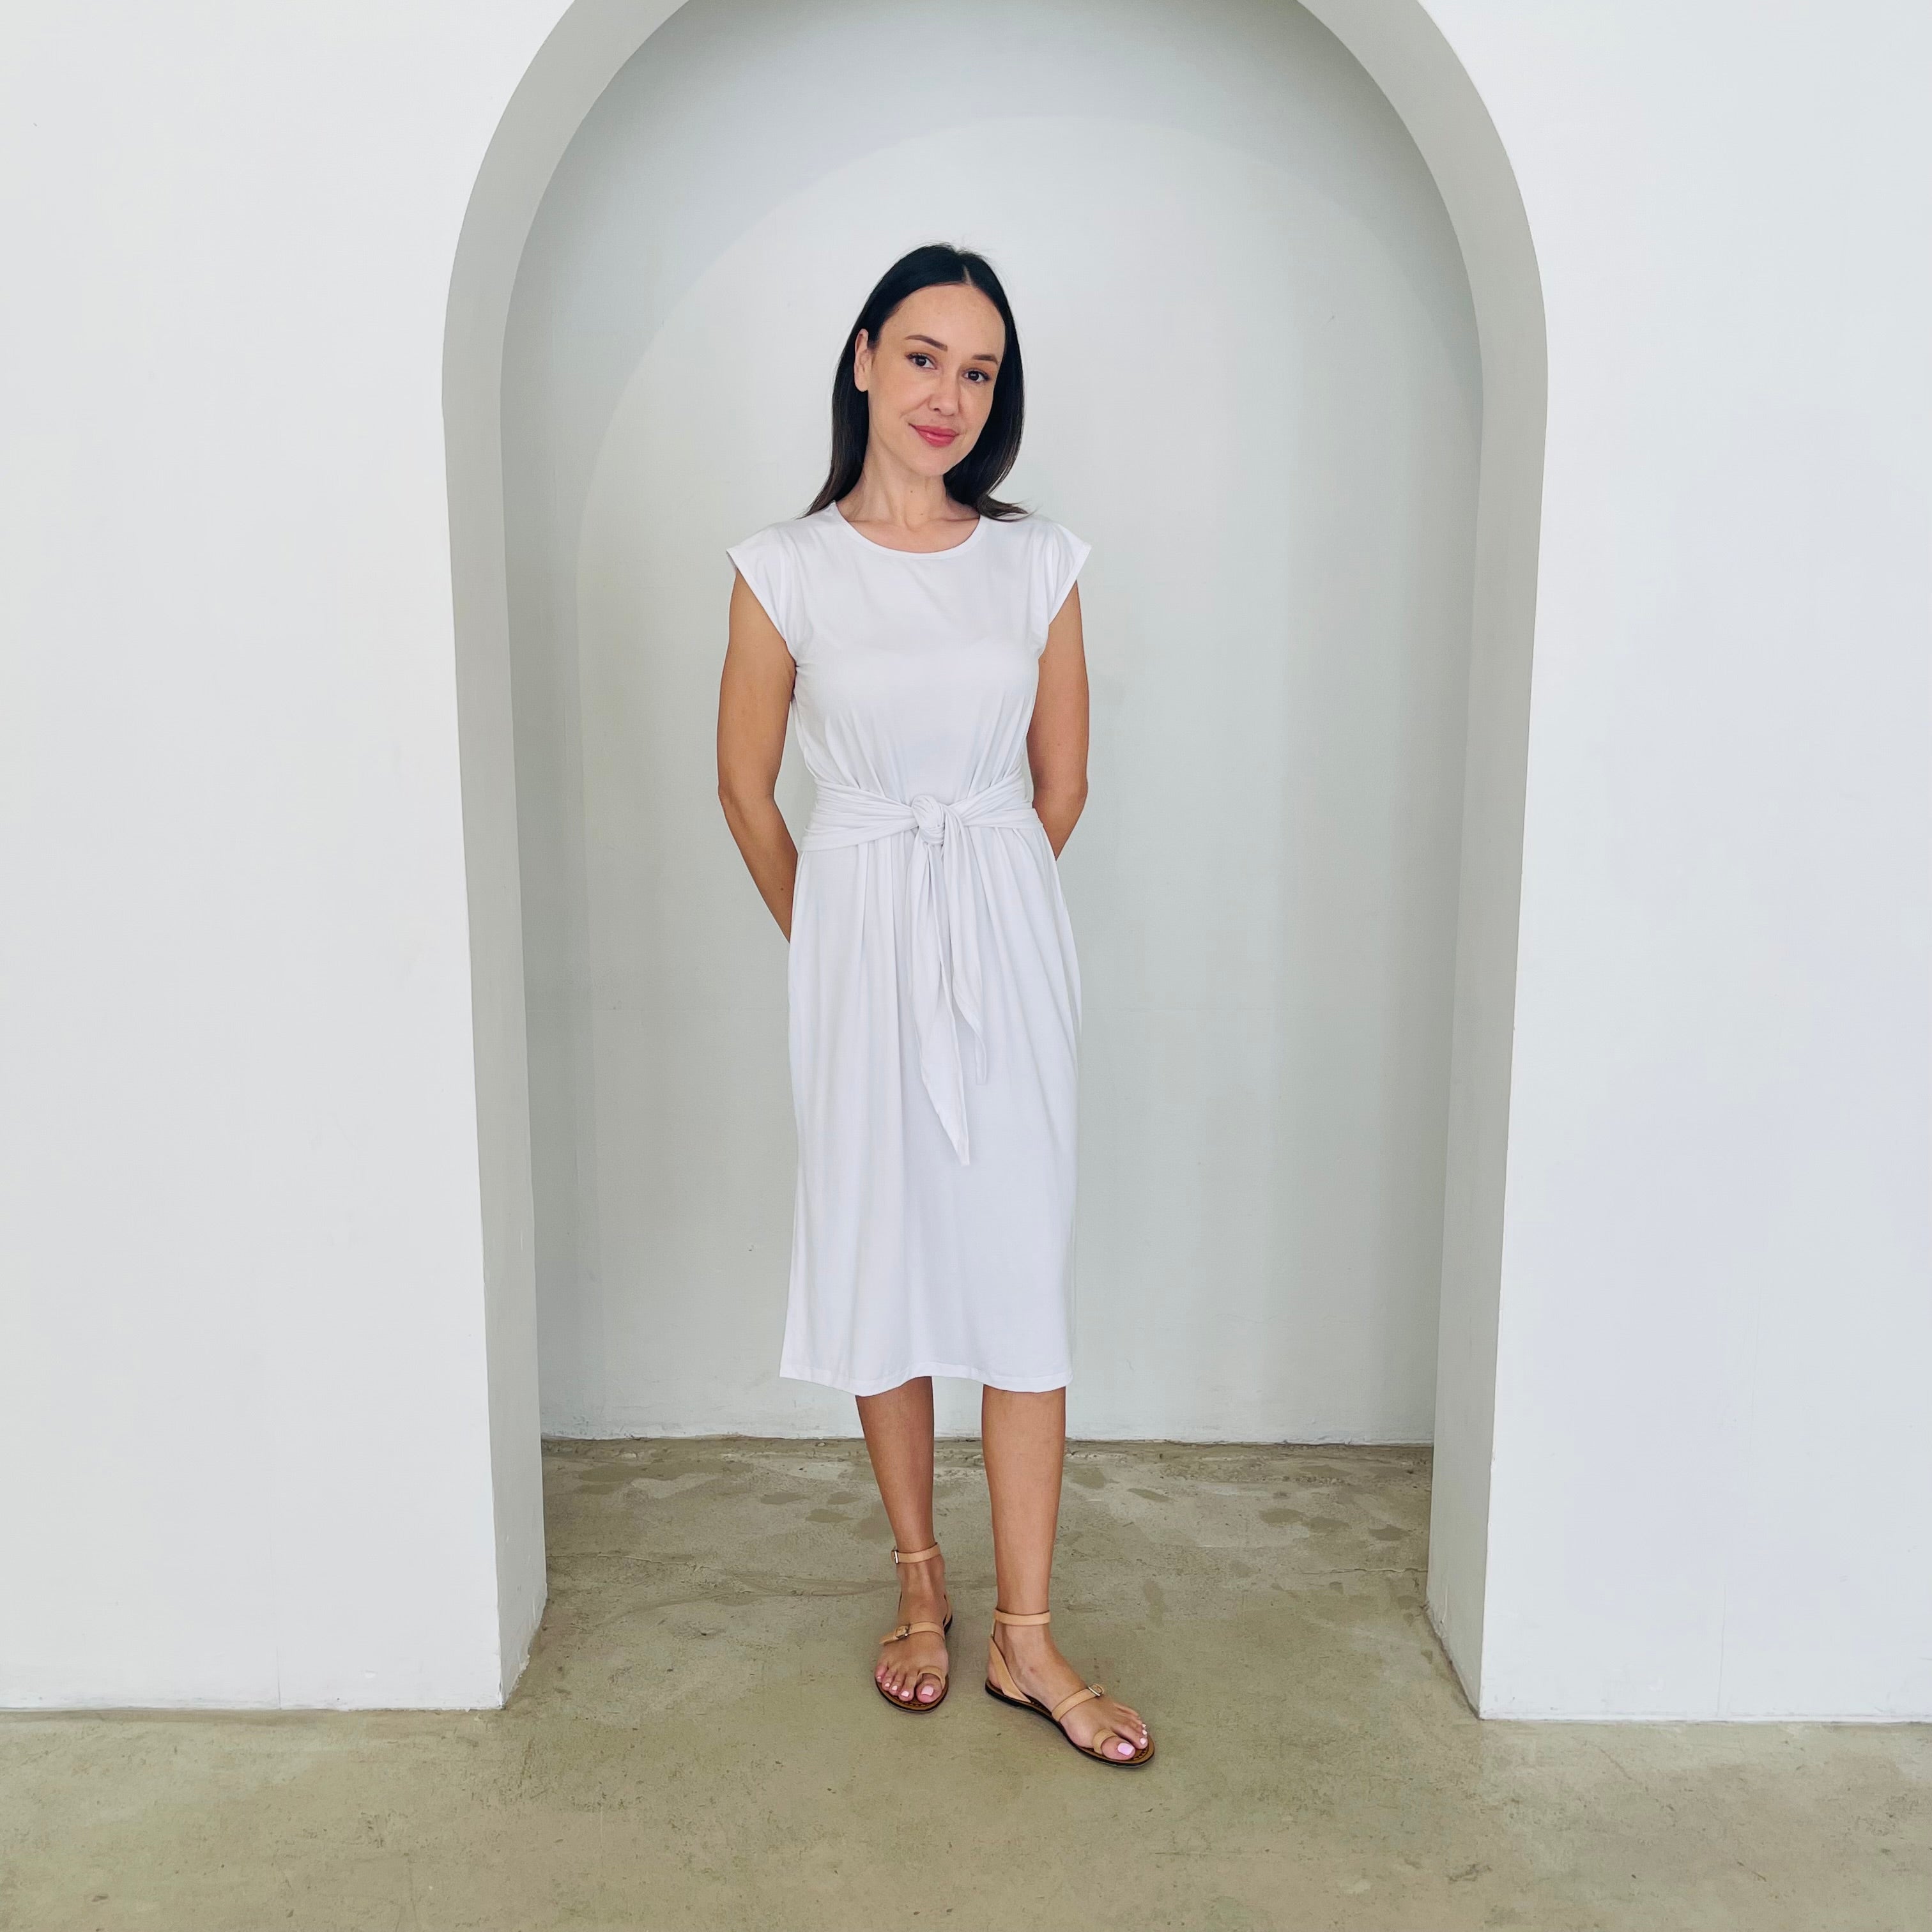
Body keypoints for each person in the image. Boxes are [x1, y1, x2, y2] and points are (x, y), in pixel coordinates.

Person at [716, 243, 1152, 1767]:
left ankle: (1030, 1641)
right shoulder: (786, 566)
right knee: (882, 1258)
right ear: (861, 361)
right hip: (856, 954)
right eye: (922, 358)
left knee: (1019, 1271)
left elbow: (1064, 783)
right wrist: (840, 939)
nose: (947, 395)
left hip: (1003, 935)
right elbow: (746, 787)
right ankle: (921, 1589)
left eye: (978, 370)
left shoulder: (1041, 563)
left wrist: (984, 921)